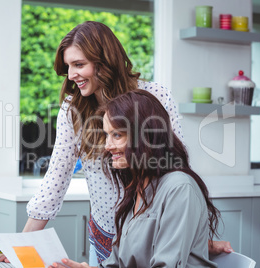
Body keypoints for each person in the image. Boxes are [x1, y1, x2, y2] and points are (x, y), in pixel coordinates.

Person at [0, 21, 232, 265]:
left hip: (153, 231)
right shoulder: (73, 110)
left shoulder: (154, 97)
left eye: (79, 65)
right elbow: (55, 180)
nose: (70, 75)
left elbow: (174, 168)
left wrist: (187, 235)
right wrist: (21, 246)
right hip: (107, 233)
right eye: (68, 66)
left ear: (104, 62)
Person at [49, 89, 219, 267]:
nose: (107, 146)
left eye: (117, 135)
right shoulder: (137, 189)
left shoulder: (180, 188)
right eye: (107, 135)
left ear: (146, 135)